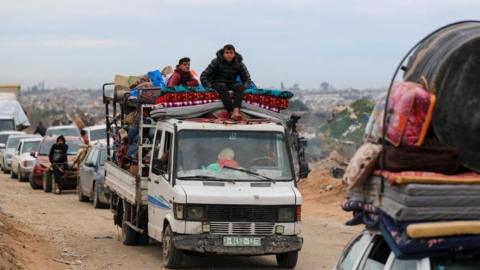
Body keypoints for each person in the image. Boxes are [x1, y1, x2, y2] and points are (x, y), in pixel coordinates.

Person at [200, 44, 253, 121]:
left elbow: (247, 79)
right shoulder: (216, 61)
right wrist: (209, 87)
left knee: (240, 86)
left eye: (231, 52)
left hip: (231, 83)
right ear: (223, 53)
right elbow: (203, 76)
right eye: (227, 52)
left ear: (234, 54)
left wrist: (244, 87)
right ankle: (231, 111)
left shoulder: (239, 63)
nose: (229, 55)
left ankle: (236, 111)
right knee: (222, 86)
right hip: (217, 82)